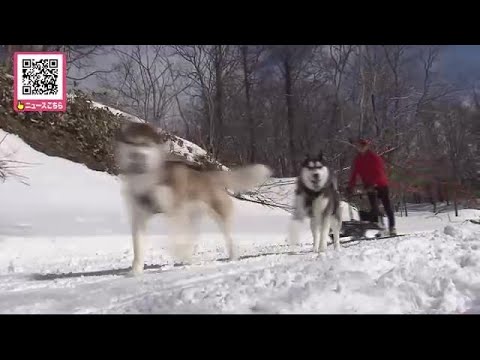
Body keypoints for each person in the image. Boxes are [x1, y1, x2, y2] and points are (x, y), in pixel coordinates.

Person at [346, 139, 397, 236]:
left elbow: (379, 172)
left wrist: (373, 184)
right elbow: (354, 174)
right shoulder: (358, 159)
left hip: (381, 184)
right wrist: (350, 186)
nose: (360, 148)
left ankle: (392, 227)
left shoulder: (374, 157)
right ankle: (381, 228)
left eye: (362, 146)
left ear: (366, 146)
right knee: (374, 208)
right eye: (359, 146)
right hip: (369, 186)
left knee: (387, 206)